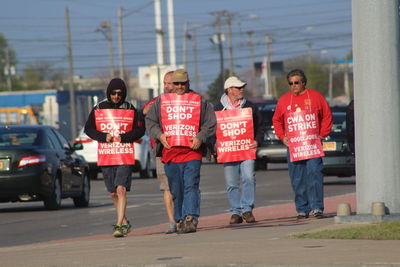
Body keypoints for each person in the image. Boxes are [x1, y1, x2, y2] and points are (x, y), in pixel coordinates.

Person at [145, 69, 216, 233]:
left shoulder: (199, 100)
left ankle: (190, 217)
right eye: (176, 83)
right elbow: (150, 121)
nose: (179, 86)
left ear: (188, 83)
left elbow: (210, 123)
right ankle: (180, 218)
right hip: (170, 153)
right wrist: (159, 135)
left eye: (182, 83)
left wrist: (200, 137)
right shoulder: (161, 101)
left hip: (192, 152)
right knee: (176, 189)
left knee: (191, 184)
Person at [84, 78, 145, 237]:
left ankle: (119, 225)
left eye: (119, 93)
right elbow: (88, 129)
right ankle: (124, 220)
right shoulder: (99, 108)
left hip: (124, 153)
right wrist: (103, 136)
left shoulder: (131, 109)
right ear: (109, 93)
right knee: (112, 192)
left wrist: (124, 137)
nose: (117, 96)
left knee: (121, 189)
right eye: (113, 93)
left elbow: (140, 131)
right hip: (107, 154)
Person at [272, 69, 332, 219]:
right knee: (297, 179)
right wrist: (282, 136)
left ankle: (317, 207)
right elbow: (277, 120)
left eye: (296, 82)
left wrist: (322, 134)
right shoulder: (284, 100)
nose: (293, 86)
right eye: (291, 83)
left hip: (312, 145)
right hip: (294, 147)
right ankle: (302, 208)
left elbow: (326, 116)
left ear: (304, 82)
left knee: (314, 175)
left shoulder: (316, 97)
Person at [214, 76, 265, 224]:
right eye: (238, 87)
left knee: (249, 177)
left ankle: (247, 209)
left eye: (242, 86)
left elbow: (260, 126)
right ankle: (236, 212)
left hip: (246, 149)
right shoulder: (218, 109)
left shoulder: (250, 107)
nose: (241, 89)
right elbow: (212, 130)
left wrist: (257, 141)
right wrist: (215, 145)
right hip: (227, 151)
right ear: (229, 90)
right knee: (232, 182)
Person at [141, 71, 176, 234]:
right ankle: (172, 221)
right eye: (165, 83)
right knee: (166, 187)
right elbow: (143, 114)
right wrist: (146, 111)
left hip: (183, 150)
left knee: (182, 186)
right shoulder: (157, 101)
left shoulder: (188, 100)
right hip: (161, 151)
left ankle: (185, 216)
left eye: (170, 83)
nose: (167, 86)